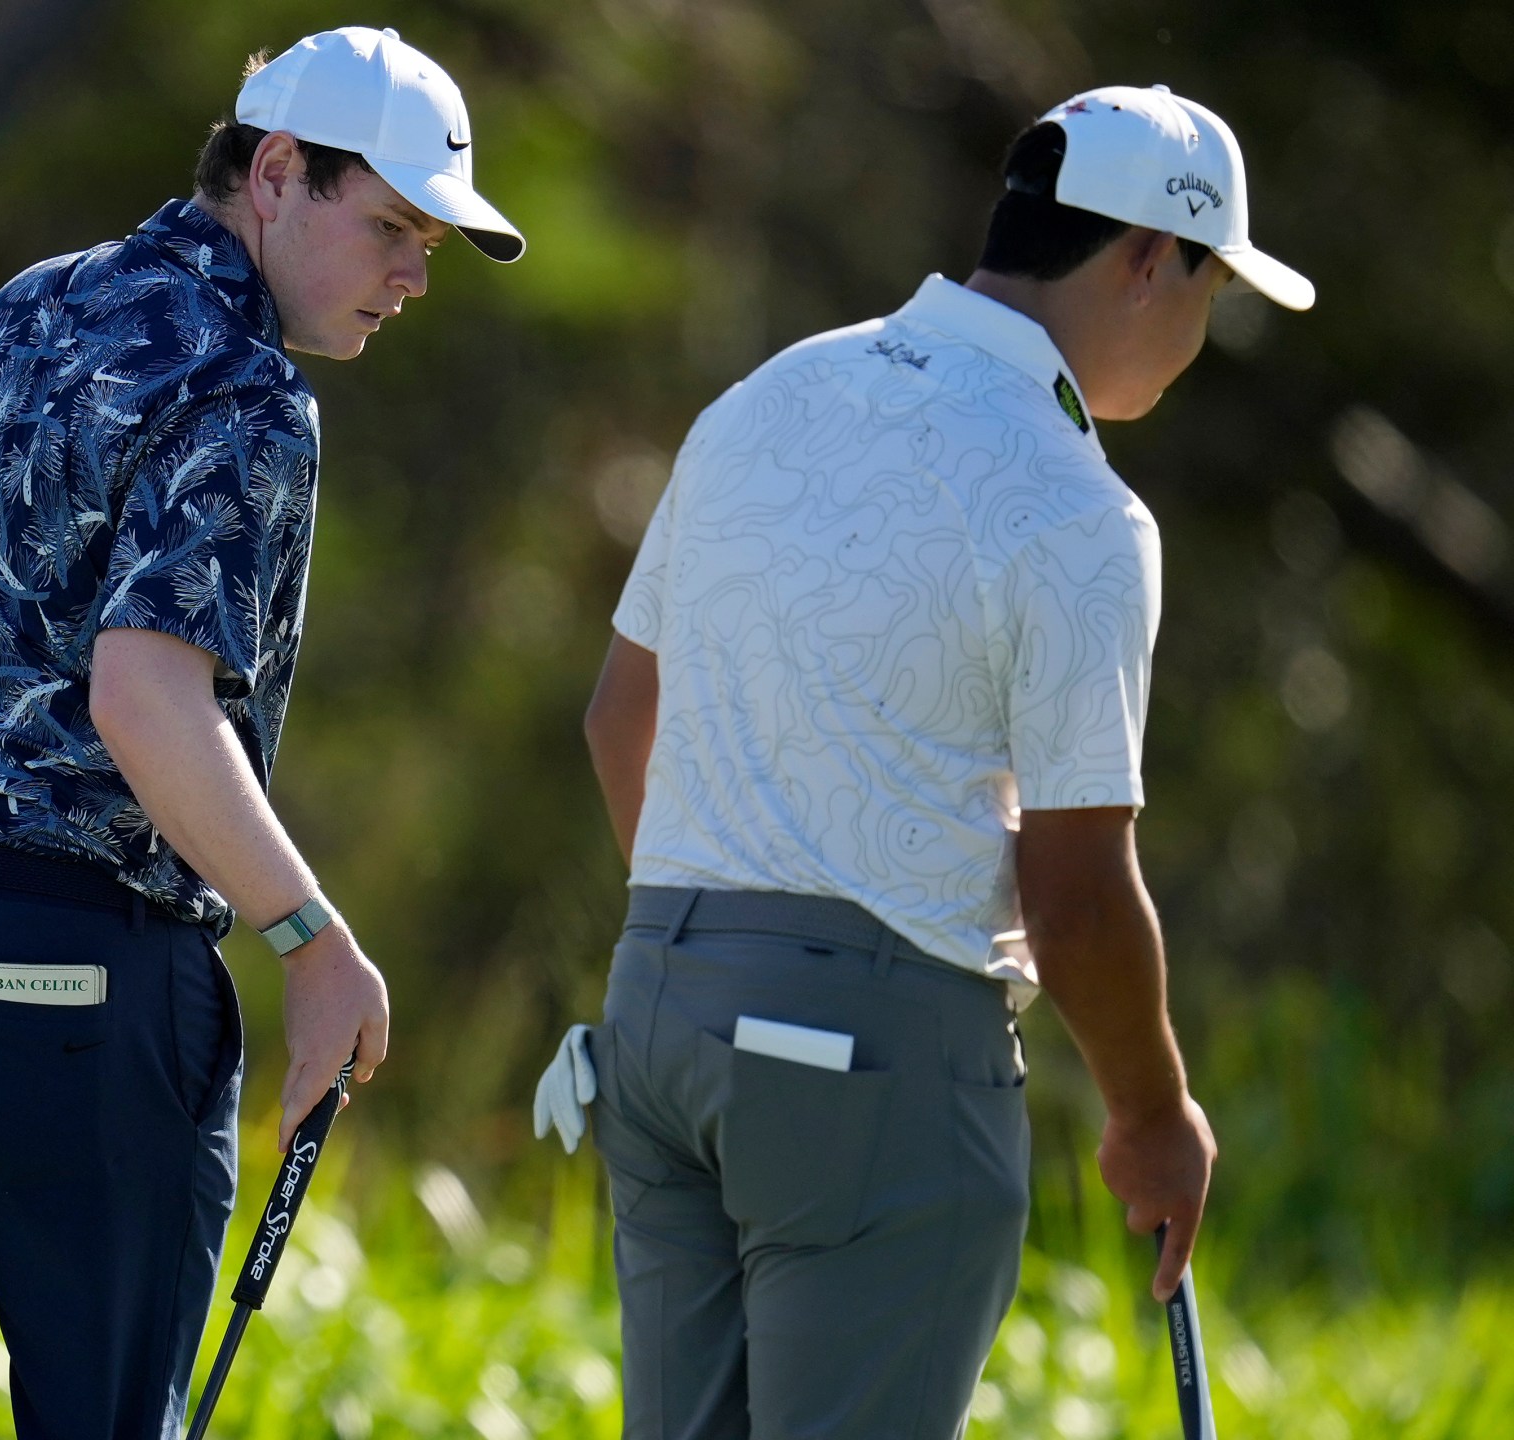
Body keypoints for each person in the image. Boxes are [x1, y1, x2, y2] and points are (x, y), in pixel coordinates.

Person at [0, 26, 522, 1440]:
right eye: (391, 225)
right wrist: (312, 941)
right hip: (68, 975)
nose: (412, 274)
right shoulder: (250, 390)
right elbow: (144, 695)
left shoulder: (32, 301)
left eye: (433, 244)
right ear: (277, 174)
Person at [554, 86, 1313, 1438]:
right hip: (876, 1067)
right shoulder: (1081, 509)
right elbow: (1075, 889)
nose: (1206, 333)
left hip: (659, 1015)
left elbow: (622, 718)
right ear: (1149, 258)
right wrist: (1152, 1110)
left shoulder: (768, 395)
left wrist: (728, 946)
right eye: (1214, 291)